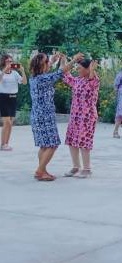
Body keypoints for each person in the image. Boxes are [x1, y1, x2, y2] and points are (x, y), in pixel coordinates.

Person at [28, 52, 79, 181]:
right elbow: (62, 71)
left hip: (37, 115)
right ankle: (40, 171)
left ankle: (42, 170)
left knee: (44, 145)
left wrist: (52, 61)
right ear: (41, 65)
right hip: (45, 116)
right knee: (52, 144)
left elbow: (49, 70)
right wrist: (74, 60)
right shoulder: (43, 79)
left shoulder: (34, 77)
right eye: (46, 62)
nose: (48, 63)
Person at [63, 58, 100, 179]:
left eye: (80, 68)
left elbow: (92, 79)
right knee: (72, 140)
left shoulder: (94, 80)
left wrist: (92, 70)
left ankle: (87, 169)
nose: (77, 70)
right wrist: (63, 62)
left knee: (84, 141)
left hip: (87, 116)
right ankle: (76, 166)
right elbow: (66, 75)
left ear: (87, 69)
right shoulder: (78, 80)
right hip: (75, 115)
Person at [0, 54, 27, 151]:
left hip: (13, 98)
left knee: (10, 123)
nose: (10, 63)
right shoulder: (1, 72)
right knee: (6, 122)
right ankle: (2, 144)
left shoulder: (15, 73)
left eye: (11, 61)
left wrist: (22, 71)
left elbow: (24, 82)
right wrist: (4, 71)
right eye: (8, 61)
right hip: (3, 97)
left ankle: (6, 143)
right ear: (4, 62)